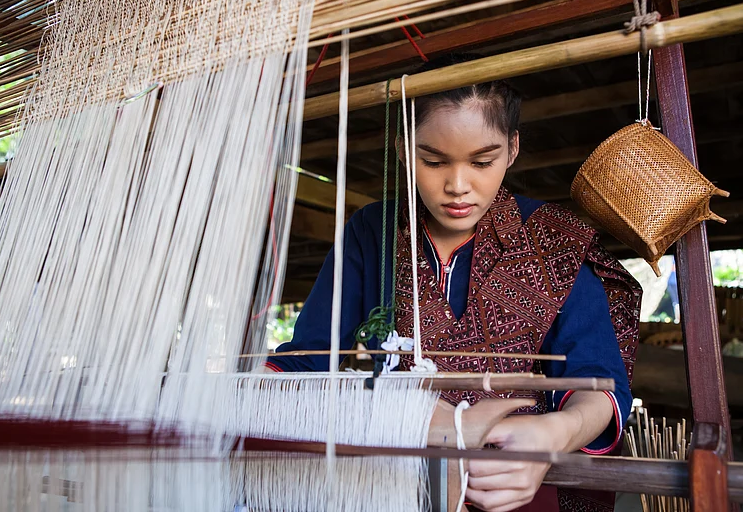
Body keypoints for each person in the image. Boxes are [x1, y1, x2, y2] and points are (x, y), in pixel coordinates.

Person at [263, 54, 641, 512]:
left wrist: (555, 432)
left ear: (513, 148)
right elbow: (313, 361)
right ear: (405, 149)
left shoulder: (555, 242)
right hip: (389, 485)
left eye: (483, 161)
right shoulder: (374, 232)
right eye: (433, 160)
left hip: (513, 486)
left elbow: (598, 387)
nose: (457, 186)